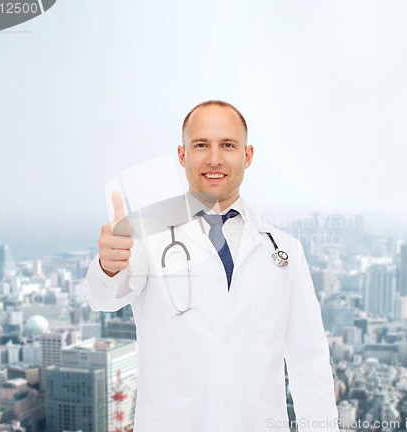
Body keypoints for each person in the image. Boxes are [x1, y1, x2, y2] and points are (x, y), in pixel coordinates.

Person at [86, 100, 339, 431]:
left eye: (228, 145)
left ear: (247, 156)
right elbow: (105, 297)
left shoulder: (284, 251)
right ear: (182, 155)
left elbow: (310, 366)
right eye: (201, 145)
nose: (214, 158)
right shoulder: (147, 236)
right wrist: (109, 265)